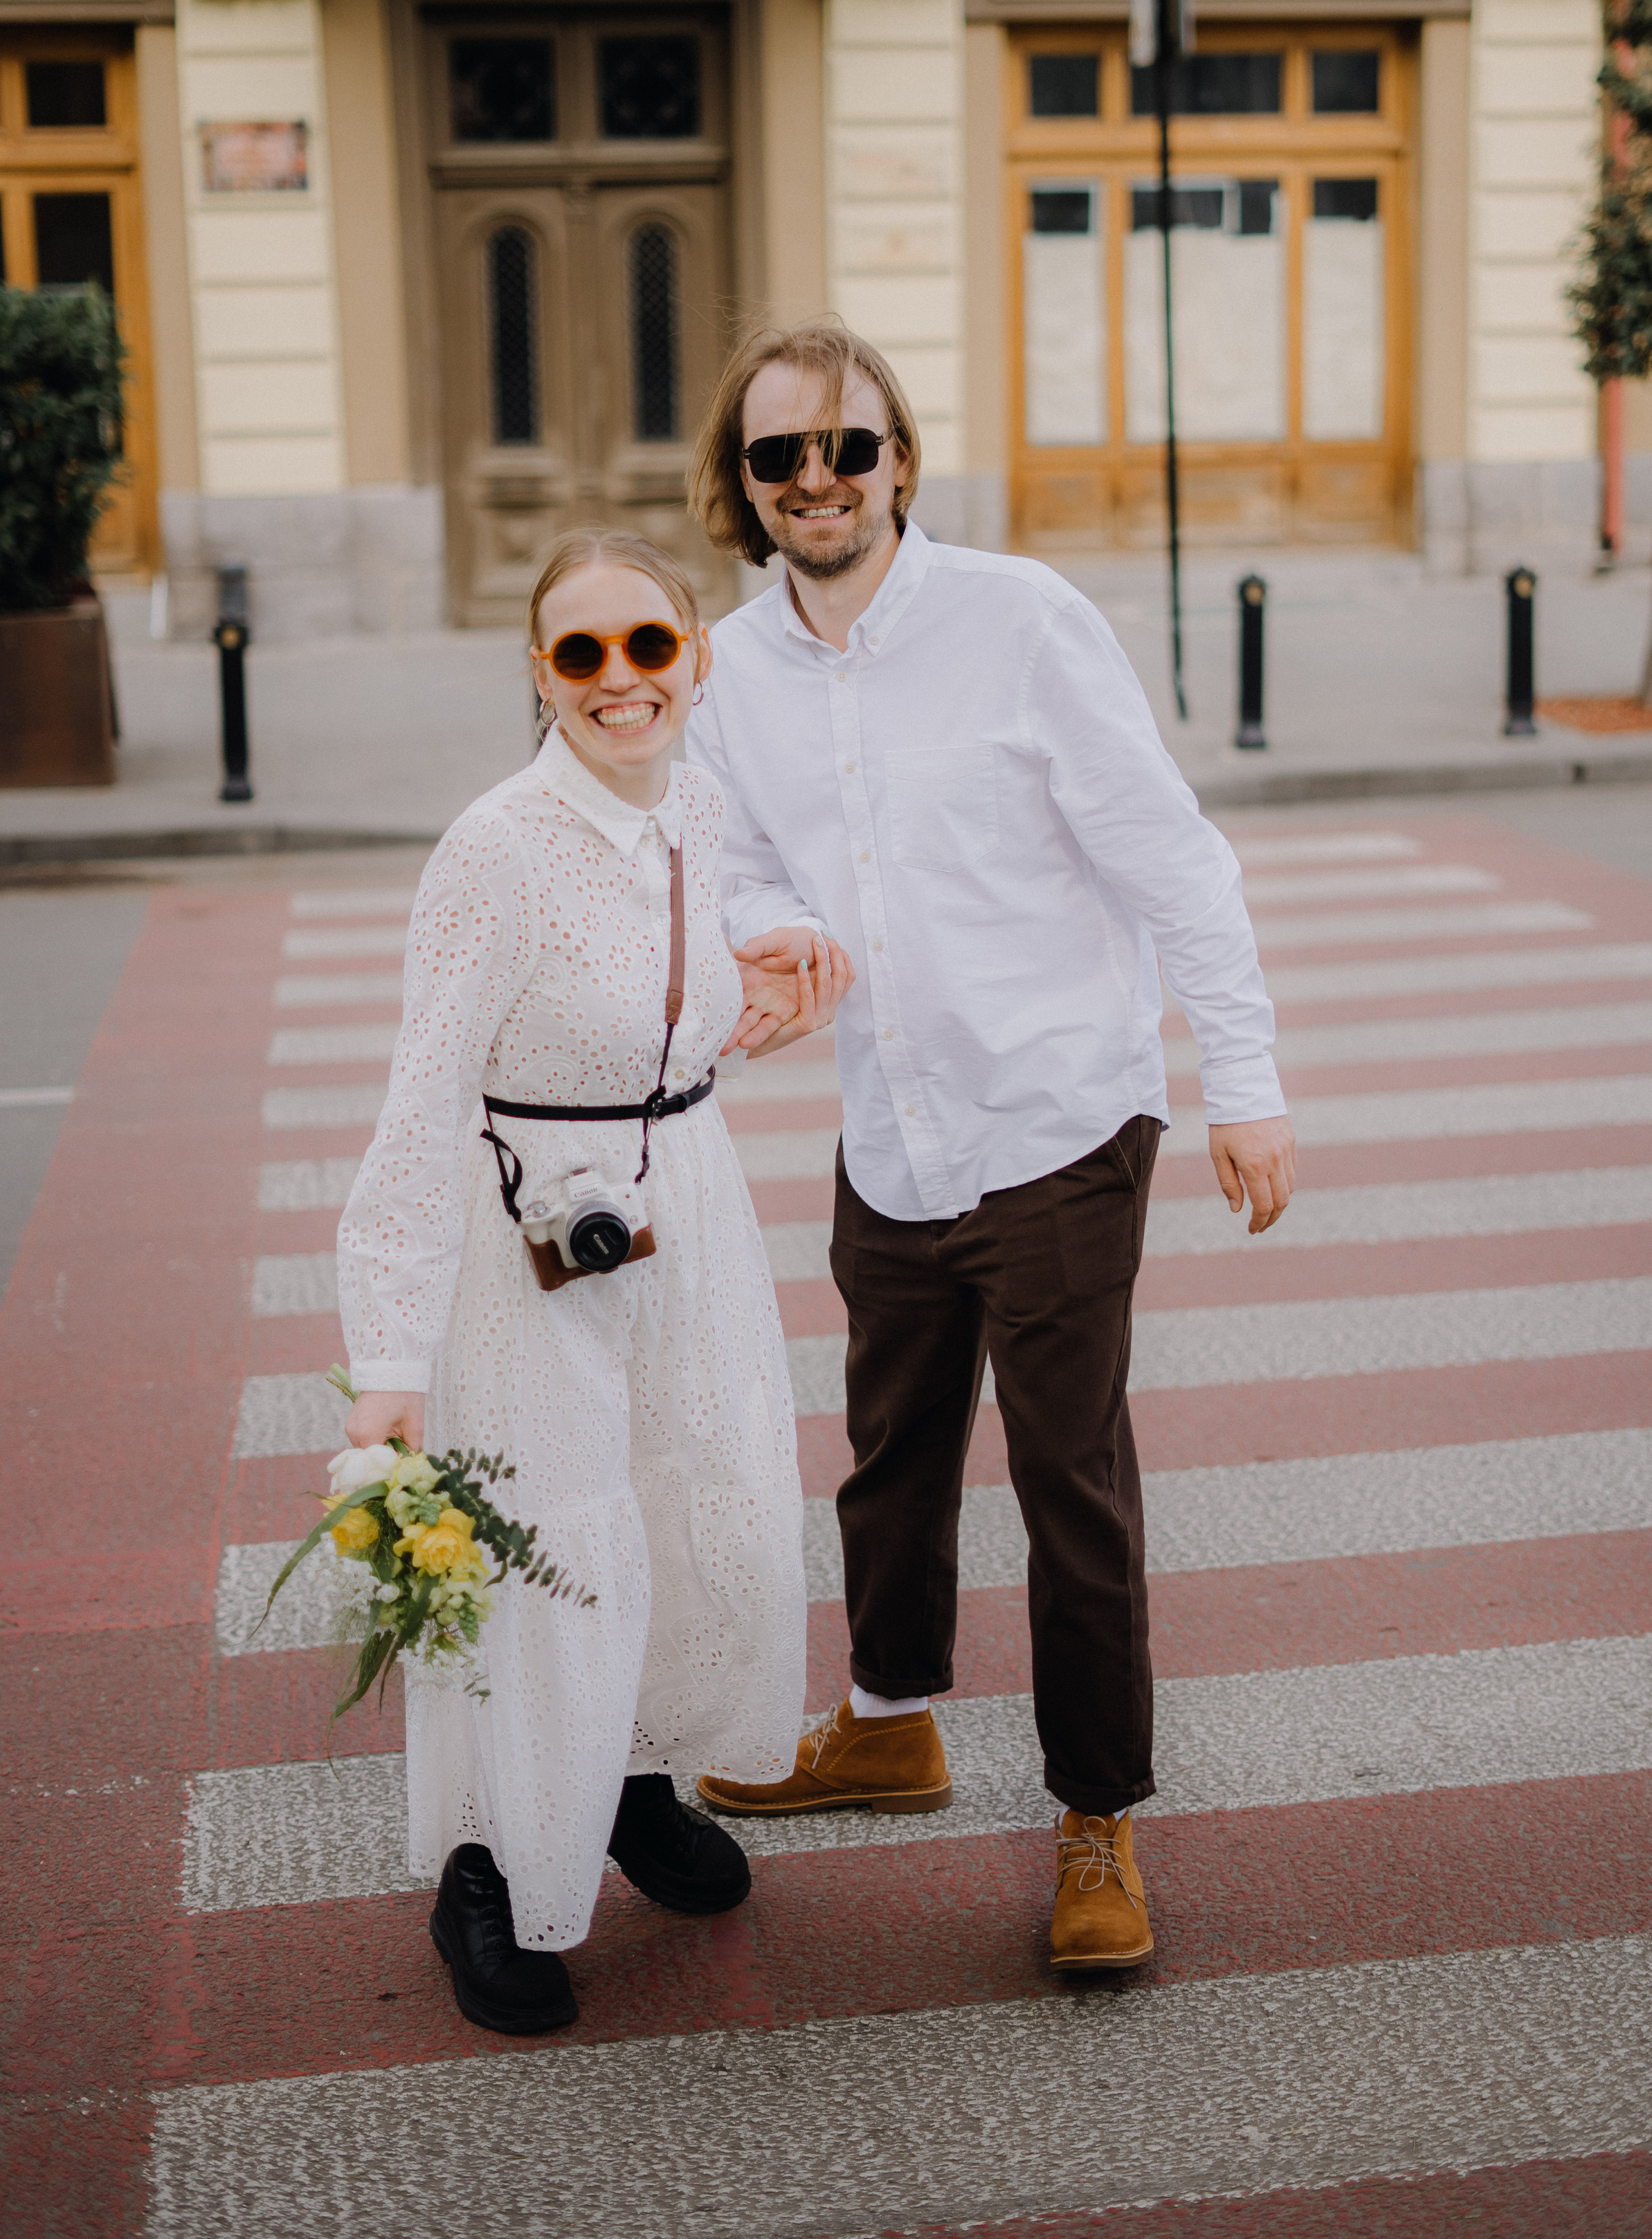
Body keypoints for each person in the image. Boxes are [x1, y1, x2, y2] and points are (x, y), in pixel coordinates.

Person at [682, 318, 1295, 1973]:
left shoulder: (1019, 621)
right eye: (778, 455)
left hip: (1058, 1116)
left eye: (848, 448)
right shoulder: (729, 665)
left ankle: (1095, 1819)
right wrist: (773, 930)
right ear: (739, 485)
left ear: (898, 462)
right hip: (893, 1127)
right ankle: (888, 1721)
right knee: (887, 1451)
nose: (817, 480)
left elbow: (1172, 863)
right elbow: (730, 855)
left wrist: (1243, 1081)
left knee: (1065, 1481)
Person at [336, 528, 850, 2034]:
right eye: (581, 654)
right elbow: (423, 1101)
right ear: (540, 679)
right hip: (528, 1242)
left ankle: (625, 1785)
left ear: (692, 656)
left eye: (647, 647)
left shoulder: (699, 808)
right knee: (543, 1549)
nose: (620, 681)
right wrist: (389, 1363)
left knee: (696, 1506)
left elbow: (687, 999)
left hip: (681, 1207)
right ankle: (492, 1867)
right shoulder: (494, 848)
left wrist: (770, 992)